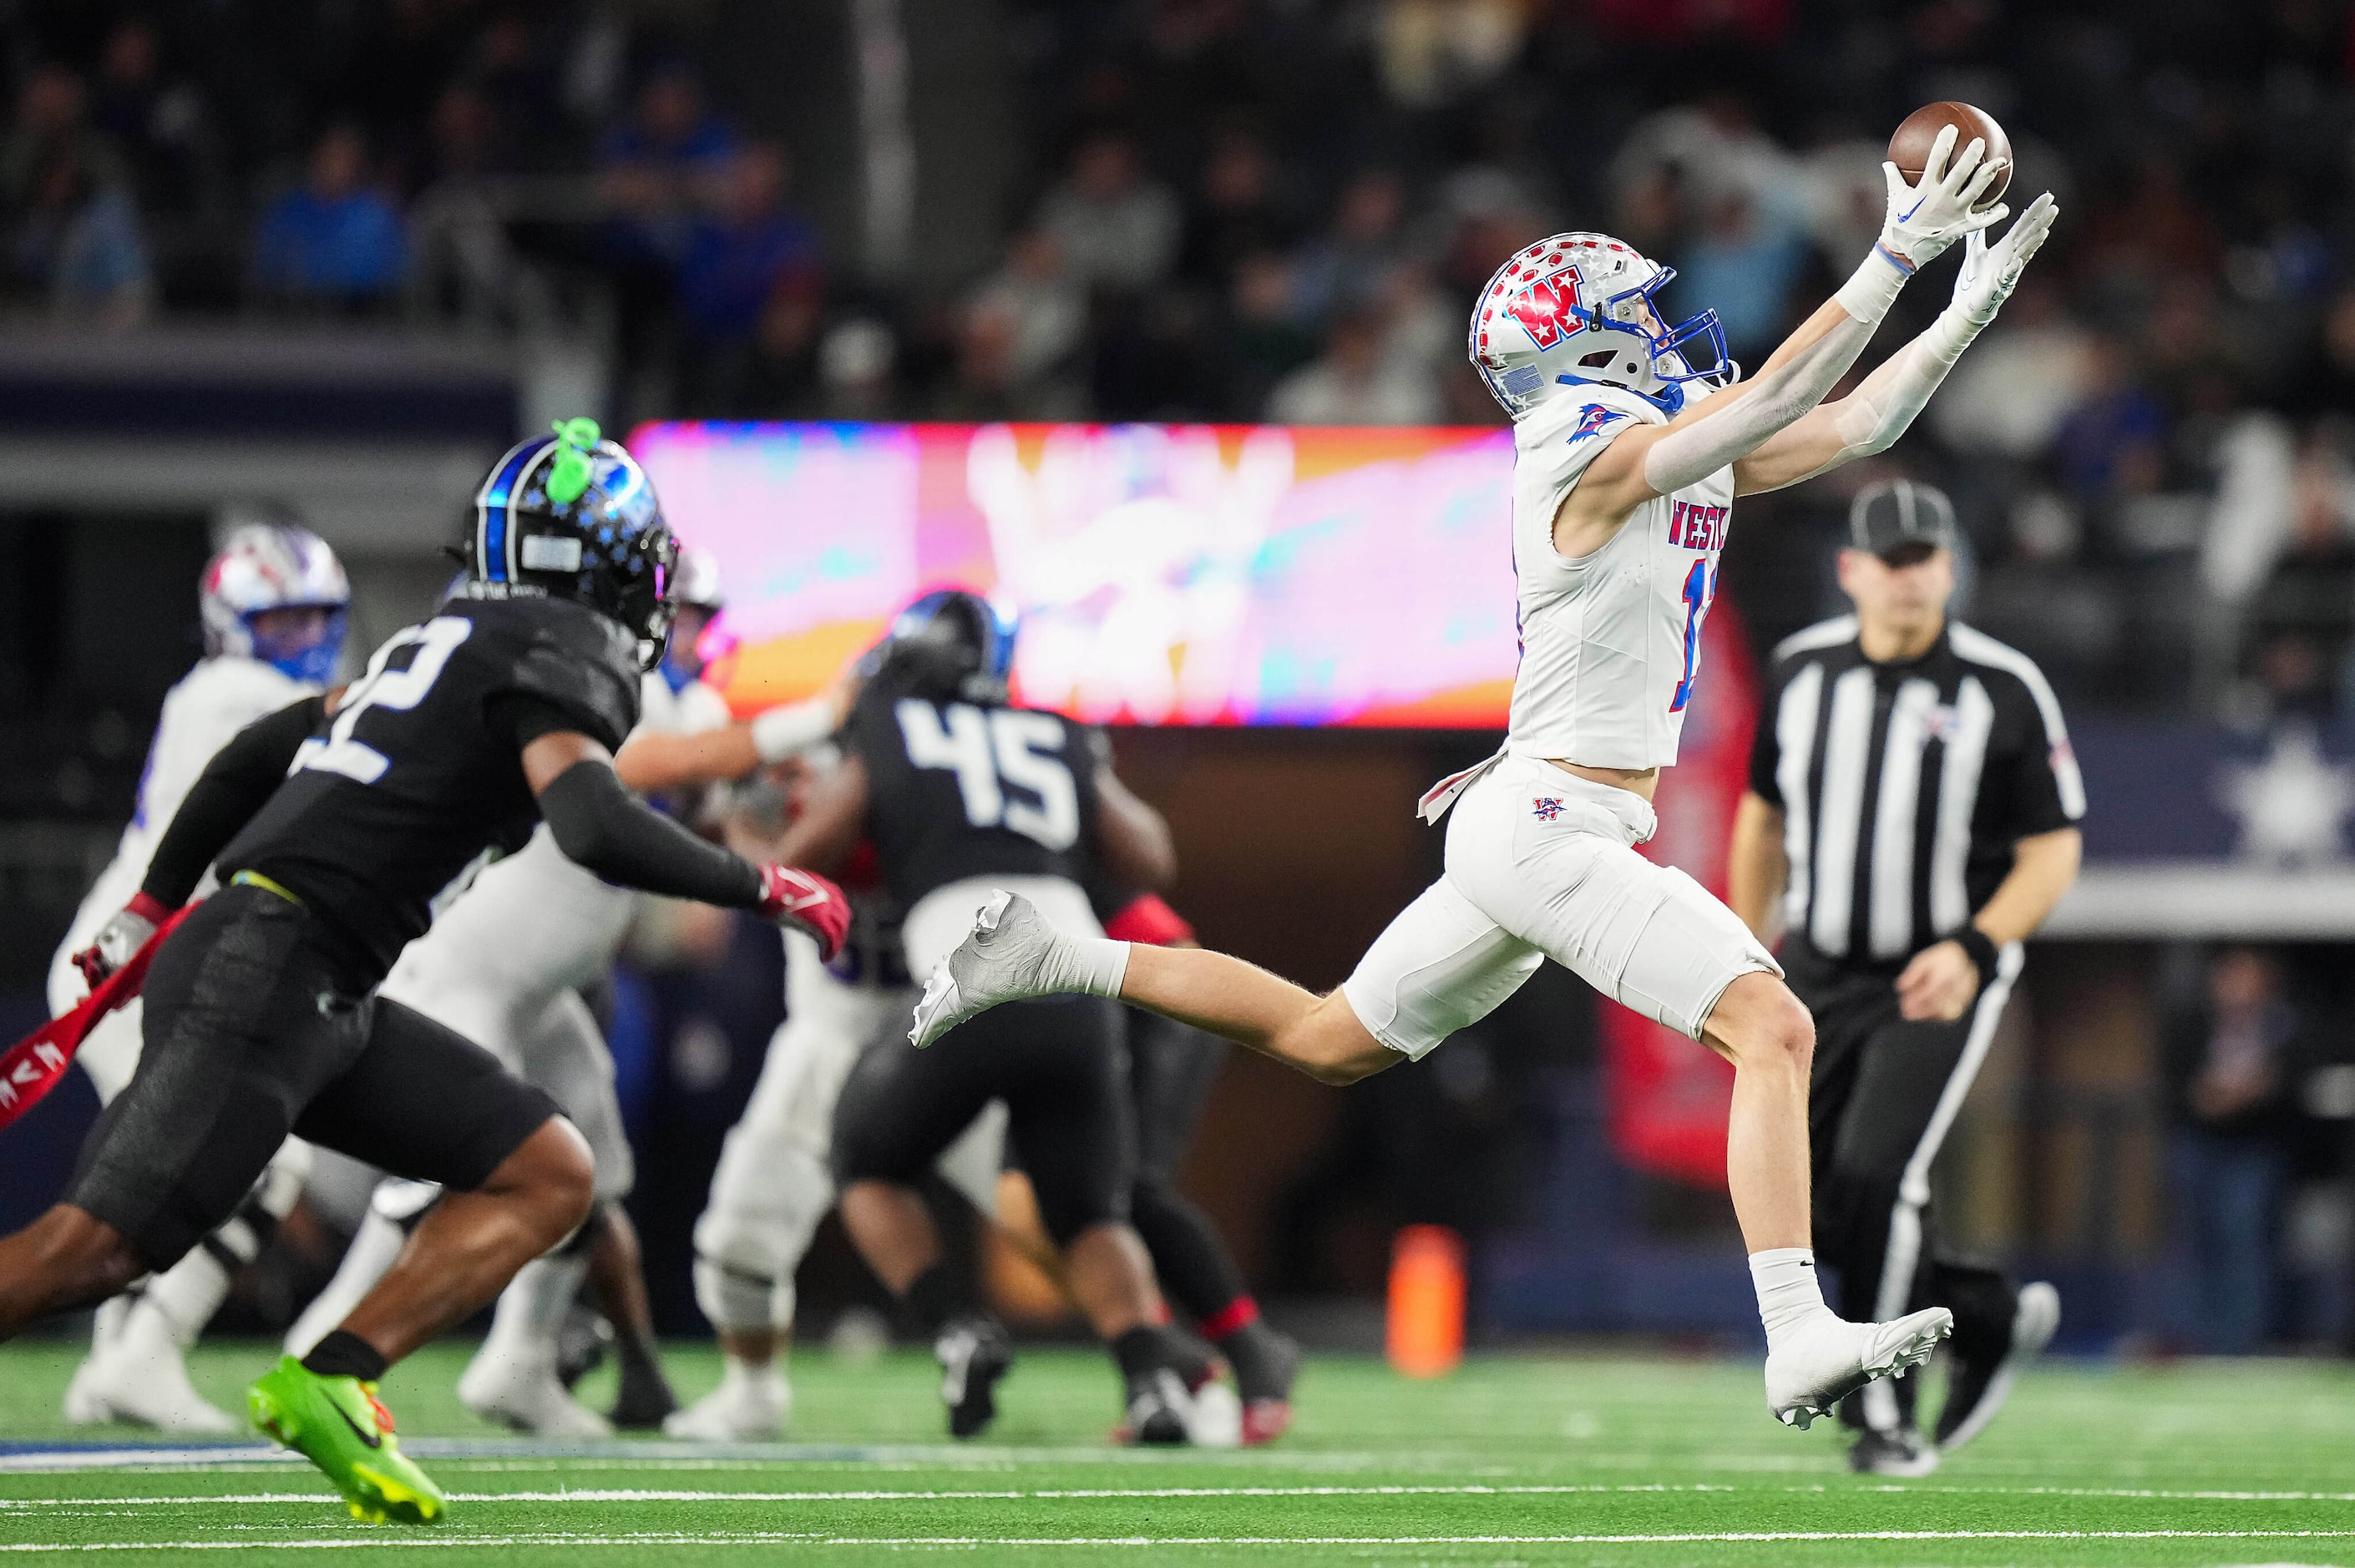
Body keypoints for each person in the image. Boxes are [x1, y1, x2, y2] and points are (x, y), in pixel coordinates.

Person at [911, 125, 2059, 1430]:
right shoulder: (1581, 442)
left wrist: (1964, 305)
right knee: (1774, 1028)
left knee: (1325, 1034)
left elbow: (1847, 422)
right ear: (1575, 342)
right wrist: (1895, 252)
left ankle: (1055, 956)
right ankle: (1796, 1331)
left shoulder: (1644, 440)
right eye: (1632, 312)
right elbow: (1776, 402)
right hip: (1557, 826)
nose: (1661, 327)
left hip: (1535, 814)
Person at [0, 418, 849, 1526]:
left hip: (324, 978)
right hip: (274, 962)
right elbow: (591, 823)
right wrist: (769, 888)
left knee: (548, 1170)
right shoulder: (559, 646)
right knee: (94, 1249)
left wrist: (154, 902)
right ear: (591, 560)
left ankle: (333, 1375)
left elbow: (257, 753)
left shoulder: (439, 639)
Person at [281, 544, 837, 1436]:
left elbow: (700, 811)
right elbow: (639, 771)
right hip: (468, 973)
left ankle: (520, 1365)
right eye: (678, 613)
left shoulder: (681, 702)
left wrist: (762, 795)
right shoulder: (598, 679)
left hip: (538, 995)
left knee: (588, 1174)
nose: (687, 634)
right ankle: (319, 1353)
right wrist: (806, 721)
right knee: (437, 1186)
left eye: (696, 617)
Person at [766, 589, 1237, 1443]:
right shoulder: (1053, 734)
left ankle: (956, 1325)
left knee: (865, 1162)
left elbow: (800, 862)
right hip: (1080, 985)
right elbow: (1150, 855)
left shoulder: (890, 728)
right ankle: (1151, 1380)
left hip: (971, 967)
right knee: (1087, 1211)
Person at [1726, 479, 2083, 1475]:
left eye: (1927, 557)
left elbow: (2053, 848)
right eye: (1891, 559)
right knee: (1813, 1196)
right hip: (1817, 967)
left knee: (1881, 1179)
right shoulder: (1801, 673)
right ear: (1851, 571)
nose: (1910, 577)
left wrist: (1974, 945)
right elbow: (1762, 819)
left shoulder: (2002, 686)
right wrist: (1746, 950)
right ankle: (1983, 1312)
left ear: (1951, 568)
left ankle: (1883, 1412)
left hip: (1938, 974)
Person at [44, 523, 351, 1431]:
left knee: (179, 1164)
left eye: (313, 619)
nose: (302, 638)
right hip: (131, 965)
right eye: (282, 619)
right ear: (233, 623)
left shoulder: (232, 689)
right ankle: (141, 1354)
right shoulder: (232, 691)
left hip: (142, 958)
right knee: (254, 1157)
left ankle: (114, 1365)